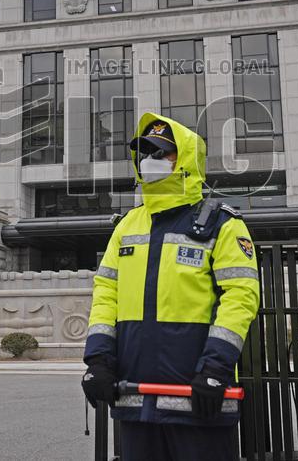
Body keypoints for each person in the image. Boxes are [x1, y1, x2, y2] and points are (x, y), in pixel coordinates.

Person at [81, 112, 260, 461]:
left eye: (162, 152)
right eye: (145, 152)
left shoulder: (222, 224)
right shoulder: (127, 225)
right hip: (136, 398)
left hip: (199, 398)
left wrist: (215, 369)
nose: (151, 160)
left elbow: (241, 298)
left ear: (187, 159)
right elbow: (106, 295)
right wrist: (98, 360)